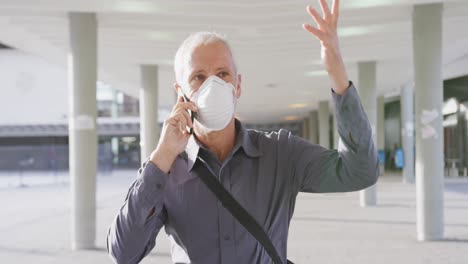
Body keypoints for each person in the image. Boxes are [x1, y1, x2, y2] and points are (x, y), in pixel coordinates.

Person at [107, 0, 379, 263]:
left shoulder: (280, 153)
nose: (212, 85)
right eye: (198, 77)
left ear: (237, 86)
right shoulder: (164, 171)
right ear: (181, 93)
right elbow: (123, 254)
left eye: (223, 74)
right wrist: (161, 157)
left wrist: (338, 77)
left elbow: (360, 171)